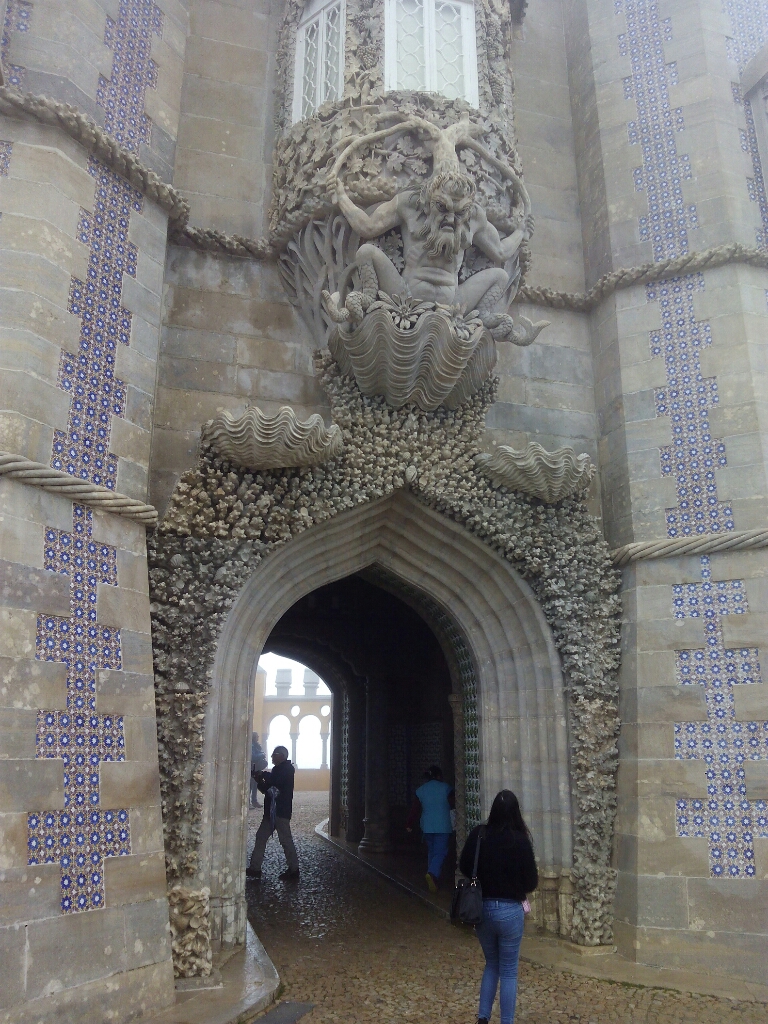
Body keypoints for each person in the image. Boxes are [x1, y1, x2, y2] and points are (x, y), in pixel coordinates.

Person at [459, 790, 538, 1024]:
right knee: (509, 970)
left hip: (483, 909)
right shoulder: (520, 840)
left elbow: (464, 866)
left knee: (491, 964)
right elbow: (531, 881)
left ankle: (483, 1017)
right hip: (510, 911)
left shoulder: (479, 835)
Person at [245, 745, 299, 882]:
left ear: (282, 756)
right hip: (271, 812)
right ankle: (255, 868)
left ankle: (294, 870)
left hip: (280, 812)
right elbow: (269, 790)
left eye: (275, 754)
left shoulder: (287, 769)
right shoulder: (278, 770)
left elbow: (275, 781)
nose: (272, 757)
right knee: (261, 837)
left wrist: (263, 774)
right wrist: (259, 781)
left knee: (285, 840)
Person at [406, 765, 455, 892]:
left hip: (427, 826)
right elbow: (453, 804)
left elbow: (415, 809)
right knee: (440, 853)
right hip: (443, 826)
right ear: (439, 776)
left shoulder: (421, 790)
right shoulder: (446, 788)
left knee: (432, 852)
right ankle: (432, 873)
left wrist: (409, 824)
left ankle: (432, 879)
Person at [249, 731, 267, 809]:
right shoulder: (252, 746)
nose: (258, 738)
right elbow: (253, 757)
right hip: (253, 767)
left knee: (255, 784)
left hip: (257, 768)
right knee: (250, 785)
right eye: (257, 736)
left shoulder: (256, 745)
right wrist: (262, 755)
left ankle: (254, 801)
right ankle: (248, 802)